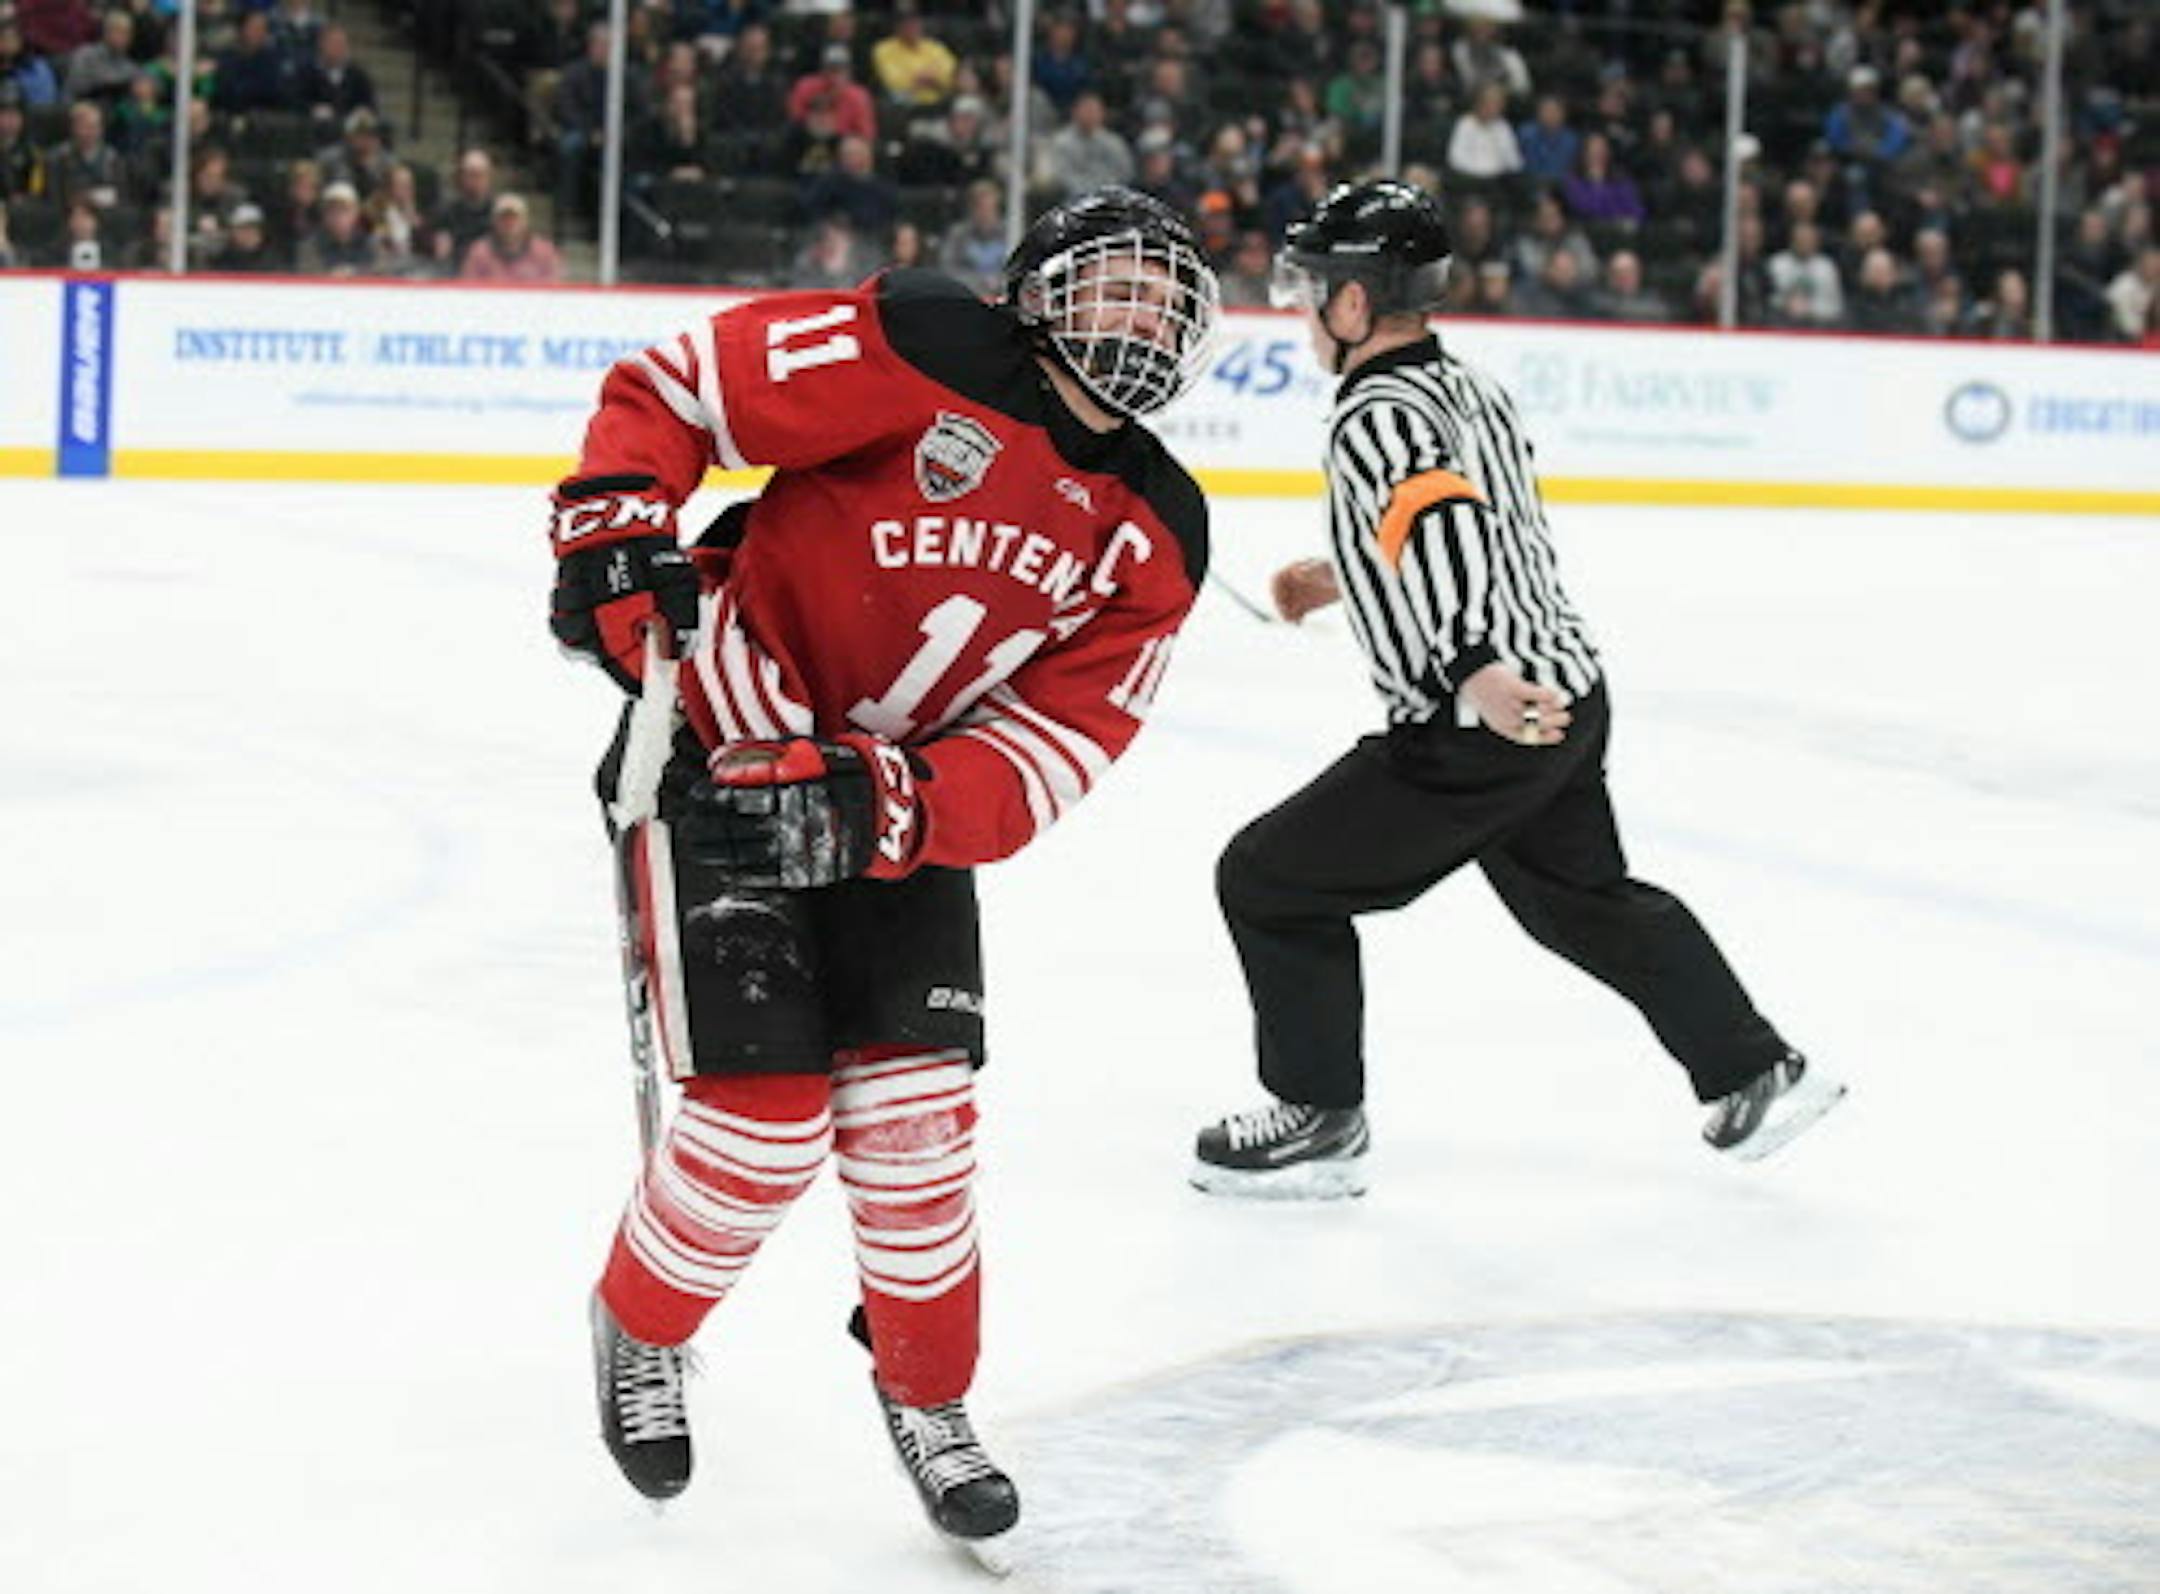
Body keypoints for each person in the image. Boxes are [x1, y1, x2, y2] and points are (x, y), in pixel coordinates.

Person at [546, 188, 1219, 1551]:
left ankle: (932, 1396)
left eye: (1167, 304)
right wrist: (619, 518)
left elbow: (1053, 748)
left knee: (918, 1130)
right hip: (724, 757)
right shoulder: (920, 343)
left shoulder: (1157, 529)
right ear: (1034, 293)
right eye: (1116, 287)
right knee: (764, 1124)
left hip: (895, 809)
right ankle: (641, 1319)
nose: (1139, 324)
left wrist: (894, 806)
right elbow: (681, 387)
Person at [1189, 180, 1843, 1199]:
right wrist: (1340, 573)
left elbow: (1441, 529)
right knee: (1583, 901)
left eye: (1314, 285)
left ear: (1357, 302)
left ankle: (1318, 1118)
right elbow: (1468, 526)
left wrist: (1471, 671)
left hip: (1480, 722)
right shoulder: (1469, 388)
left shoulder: (1375, 410)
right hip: (1569, 693)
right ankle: (1755, 1069)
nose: (1302, 306)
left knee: (1270, 880)